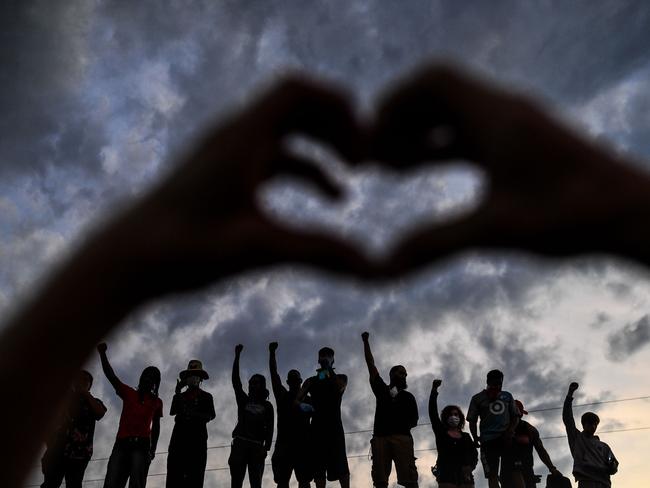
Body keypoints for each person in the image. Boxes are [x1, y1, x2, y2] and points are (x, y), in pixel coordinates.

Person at [7, 63, 650, 488]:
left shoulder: (338, 387)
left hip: (355, 447)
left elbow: (353, 381)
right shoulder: (284, 395)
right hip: (262, 448)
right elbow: (346, 379)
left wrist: (94, 280)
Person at [97, 343, 162, 488]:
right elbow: (111, 376)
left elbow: (156, 426)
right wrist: (102, 354)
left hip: (142, 446)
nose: (148, 379)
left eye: (152, 377)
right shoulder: (129, 393)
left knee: (136, 484)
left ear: (155, 383)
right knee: (112, 482)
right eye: (146, 375)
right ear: (141, 377)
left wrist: (153, 449)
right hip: (122, 444)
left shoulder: (157, 402)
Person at [361, 331, 419, 488]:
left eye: (405, 374)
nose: (404, 375)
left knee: (410, 480)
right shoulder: (381, 390)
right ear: (392, 374)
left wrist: (401, 426)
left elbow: (414, 420)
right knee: (380, 481)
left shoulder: (408, 397)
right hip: (381, 439)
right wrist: (366, 342)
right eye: (401, 372)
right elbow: (371, 365)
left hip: (402, 439)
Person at [40, 370, 107, 488]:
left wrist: (85, 394)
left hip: (80, 454)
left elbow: (100, 412)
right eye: (80, 379)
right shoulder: (63, 400)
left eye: (86, 380)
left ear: (90, 385)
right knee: (50, 484)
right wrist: (50, 446)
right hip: (57, 451)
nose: (82, 381)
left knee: (74, 485)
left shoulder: (93, 401)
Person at [298, 346, 350, 488]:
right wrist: (307, 407)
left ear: (333, 359)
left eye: (328, 355)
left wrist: (328, 370)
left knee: (342, 470)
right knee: (318, 471)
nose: (325, 357)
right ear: (318, 359)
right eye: (322, 355)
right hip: (317, 430)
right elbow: (297, 401)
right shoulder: (311, 381)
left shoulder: (341, 377)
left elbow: (339, 387)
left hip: (335, 429)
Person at [268, 341, 313, 488]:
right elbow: (274, 375)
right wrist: (272, 353)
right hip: (284, 446)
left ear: (300, 382)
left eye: (296, 381)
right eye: (292, 381)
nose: (294, 384)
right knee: (282, 482)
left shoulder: (308, 400)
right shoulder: (283, 396)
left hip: (303, 446)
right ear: (288, 382)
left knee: (304, 482)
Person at [229, 344, 274, 488]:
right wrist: (237, 356)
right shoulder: (243, 400)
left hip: (256, 447)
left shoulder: (267, 406)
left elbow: (271, 427)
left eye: (255, 383)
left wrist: (266, 448)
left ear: (261, 385)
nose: (251, 385)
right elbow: (236, 382)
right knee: (236, 482)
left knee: (256, 483)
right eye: (250, 383)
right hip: (240, 444)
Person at [166, 360, 216, 488]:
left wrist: (192, 413)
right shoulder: (180, 396)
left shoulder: (207, 397)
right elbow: (172, 411)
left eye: (196, 375)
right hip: (178, 443)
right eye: (190, 375)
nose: (193, 378)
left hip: (197, 445)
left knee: (195, 479)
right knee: (173, 479)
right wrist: (177, 391)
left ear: (200, 379)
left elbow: (209, 416)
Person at [466, 370, 520, 488]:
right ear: (488, 381)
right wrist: (475, 437)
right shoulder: (477, 398)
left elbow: (515, 416)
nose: (497, 385)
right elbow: (472, 420)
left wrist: (510, 431)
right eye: (494, 381)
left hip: (507, 439)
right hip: (488, 441)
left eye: (499, 382)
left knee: (515, 471)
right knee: (492, 475)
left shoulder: (507, 395)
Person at [563, 382, 618, 487]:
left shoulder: (604, 447)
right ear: (583, 425)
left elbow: (614, 466)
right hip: (586, 481)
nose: (592, 426)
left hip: (604, 483)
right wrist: (570, 394)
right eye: (589, 423)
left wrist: (612, 465)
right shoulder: (577, 438)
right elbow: (567, 418)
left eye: (594, 424)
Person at [500, 400, 561, 488]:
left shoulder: (530, 430)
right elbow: (541, 450)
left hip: (526, 472)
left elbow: (541, 450)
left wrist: (552, 468)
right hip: (510, 473)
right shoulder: (501, 429)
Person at [428, 379, 477, 488]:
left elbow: (474, 454)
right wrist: (434, 391)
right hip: (446, 475)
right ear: (445, 417)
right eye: (450, 414)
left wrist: (470, 467)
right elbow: (432, 413)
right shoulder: (441, 433)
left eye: (456, 414)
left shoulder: (466, 437)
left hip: (466, 478)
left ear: (460, 418)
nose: (453, 416)